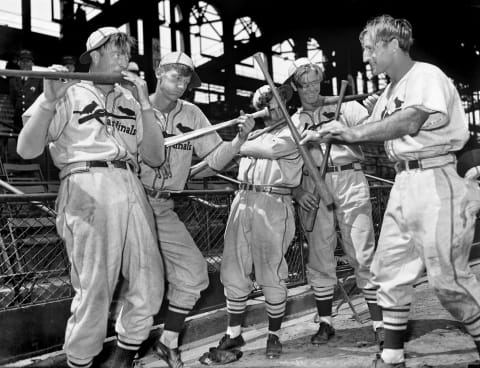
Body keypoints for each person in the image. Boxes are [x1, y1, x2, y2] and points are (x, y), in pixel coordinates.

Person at [301, 15, 480, 368]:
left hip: (436, 176)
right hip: (404, 181)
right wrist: (329, 132)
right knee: (388, 270)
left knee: (448, 279)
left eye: (370, 48)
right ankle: (391, 354)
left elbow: (410, 120)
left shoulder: (425, 75)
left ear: (392, 45)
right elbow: (371, 128)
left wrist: (350, 133)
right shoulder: (388, 92)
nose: (366, 56)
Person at [17, 27, 166, 368]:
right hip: (87, 179)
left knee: (150, 282)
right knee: (95, 289)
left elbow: (156, 158)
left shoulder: (130, 99)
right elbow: (27, 149)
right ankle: (80, 362)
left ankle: (122, 358)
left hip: (130, 183)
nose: (125, 60)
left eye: (127, 54)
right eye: (117, 52)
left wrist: (144, 104)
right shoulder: (68, 91)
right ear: (94, 55)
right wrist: (50, 99)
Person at [140, 51, 254, 368]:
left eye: (186, 75)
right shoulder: (135, 106)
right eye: (174, 72)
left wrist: (239, 141)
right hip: (131, 203)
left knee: (194, 274)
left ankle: (168, 341)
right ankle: (120, 356)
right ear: (159, 72)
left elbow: (215, 157)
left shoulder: (191, 114)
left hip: (163, 207)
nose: (181, 80)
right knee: (135, 284)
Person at [287, 58, 384, 347]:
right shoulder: (293, 121)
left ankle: (379, 324)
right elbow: (286, 164)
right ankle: (326, 323)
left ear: (321, 81)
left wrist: (374, 110)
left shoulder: (346, 107)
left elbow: (375, 129)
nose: (311, 89)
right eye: (304, 85)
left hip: (350, 179)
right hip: (314, 184)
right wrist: (295, 191)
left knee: (363, 253)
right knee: (319, 256)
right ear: (295, 87)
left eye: (315, 82)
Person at [214, 84, 304, 360]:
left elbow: (273, 150)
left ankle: (273, 335)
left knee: (270, 270)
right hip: (243, 199)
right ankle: (233, 333)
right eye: (267, 102)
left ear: (286, 104)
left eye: (277, 101)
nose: (273, 107)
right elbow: (222, 159)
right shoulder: (252, 134)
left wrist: (237, 142)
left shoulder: (294, 130)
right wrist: (239, 140)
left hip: (273, 202)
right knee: (233, 268)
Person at [9, 49, 43, 132]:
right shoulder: (13, 80)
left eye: (27, 61)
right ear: (19, 63)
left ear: (32, 63)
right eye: (22, 61)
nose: (25, 64)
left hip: (33, 117)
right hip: (18, 118)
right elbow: (13, 100)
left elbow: (42, 99)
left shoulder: (39, 79)